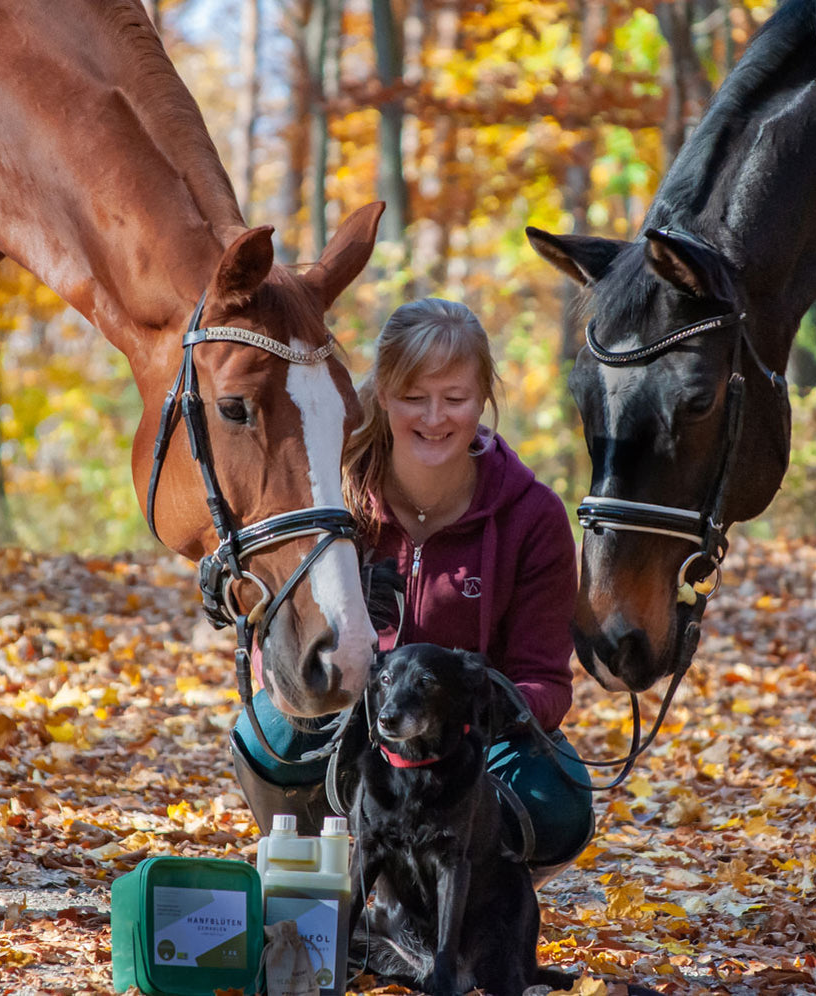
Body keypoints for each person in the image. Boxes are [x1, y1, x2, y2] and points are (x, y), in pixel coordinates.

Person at [229, 297, 593, 879]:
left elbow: (545, 681)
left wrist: (483, 707)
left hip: (466, 741)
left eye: (455, 399)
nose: (434, 418)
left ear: (483, 400)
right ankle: (309, 879)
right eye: (413, 398)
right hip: (350, 716)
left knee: (561, 799)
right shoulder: (334, 494)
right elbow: (276, 639)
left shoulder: (534, 515)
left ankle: (467, 901)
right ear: (382, 396)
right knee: (266, 734)